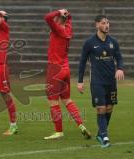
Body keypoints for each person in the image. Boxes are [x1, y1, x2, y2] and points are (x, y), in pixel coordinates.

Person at [43, 9, 91, 140]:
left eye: (56, 18)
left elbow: (47, 17)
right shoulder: (68, 29)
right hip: (65, 69)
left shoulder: (57, 29)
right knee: (67, 99)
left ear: (59, 19)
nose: (54, 19)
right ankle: (80, 125)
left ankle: (58, 131)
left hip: (55, 70)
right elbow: (69, 18)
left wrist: (59, 11)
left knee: (53, 101)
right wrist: (66, 14)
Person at [78, 15, 124, 147]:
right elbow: (82, 63)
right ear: (97, 25)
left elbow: (119, 58)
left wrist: (120, 68)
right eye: (103, 23)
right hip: (97, 81)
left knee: (109, 108)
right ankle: (104, 136)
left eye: (108, 23)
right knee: (101, 108)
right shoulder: (89, 43)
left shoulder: (113, 42)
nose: (107, 25)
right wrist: (80, 81)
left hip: (111, 81)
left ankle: (100, 133)